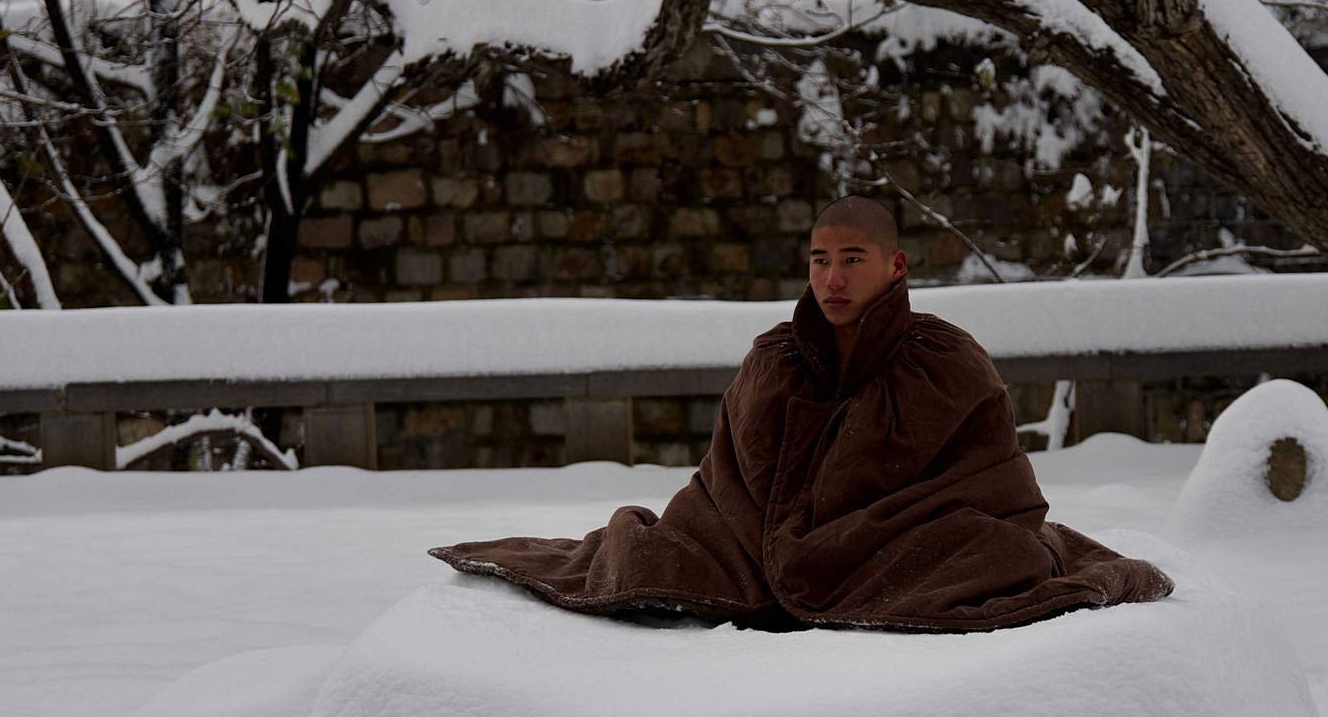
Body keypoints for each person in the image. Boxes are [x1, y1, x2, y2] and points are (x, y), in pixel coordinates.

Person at [430, 196, 1173, 631]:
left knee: (1002, 558)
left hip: (900, 540)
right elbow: (728, 477)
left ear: (895, 266)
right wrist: (781, 532)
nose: (832, 278)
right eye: (820, 260)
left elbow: (993, 482)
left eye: (852, 259)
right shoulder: (774, 358)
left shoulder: (946, 360)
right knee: (658, 556)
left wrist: (852, 527)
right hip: (757, 545)